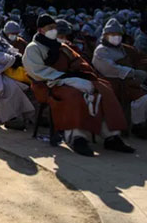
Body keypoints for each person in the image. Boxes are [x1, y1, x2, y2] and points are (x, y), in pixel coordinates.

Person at [23, 15, 133, 156]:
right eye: (49, 28)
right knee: (73, 95)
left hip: (69, 79)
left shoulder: (62, 46)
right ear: (40, 30)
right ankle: (76, 137)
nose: (53, 31)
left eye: (54, 28)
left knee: (103, 88)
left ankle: (111, 135)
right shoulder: (33, 48)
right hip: (47, 85)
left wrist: (82, 73)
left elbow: (78, 61)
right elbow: (36, 70)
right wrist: (65, 78)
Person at [91, 19, 147, 139]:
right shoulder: (101, 50)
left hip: (127, 82)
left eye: (118, 35)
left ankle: (138, 125)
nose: (116, 37)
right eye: (113, 35)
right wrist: (132, 72)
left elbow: (137, 57)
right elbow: (109, 68)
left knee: (143, 98)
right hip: (109, 84)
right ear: (105, 35)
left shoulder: (123, 48)